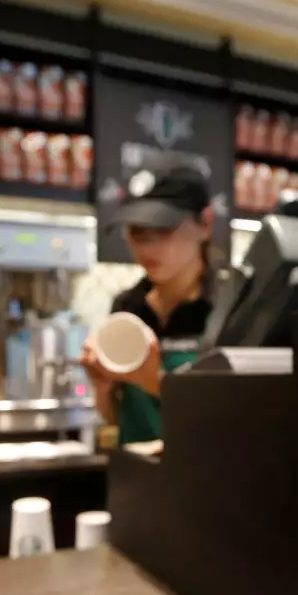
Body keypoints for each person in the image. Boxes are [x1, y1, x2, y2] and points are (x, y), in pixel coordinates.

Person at [81, 153, 216, 444]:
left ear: (205, 223)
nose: (146, 246)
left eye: (163, 229)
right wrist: (102, 388)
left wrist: (153, 380)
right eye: (137, 230)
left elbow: (235, 421)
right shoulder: (127, 308)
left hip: (204, 480)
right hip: (136, 481)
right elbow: (115, 417)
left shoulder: (229, 309)